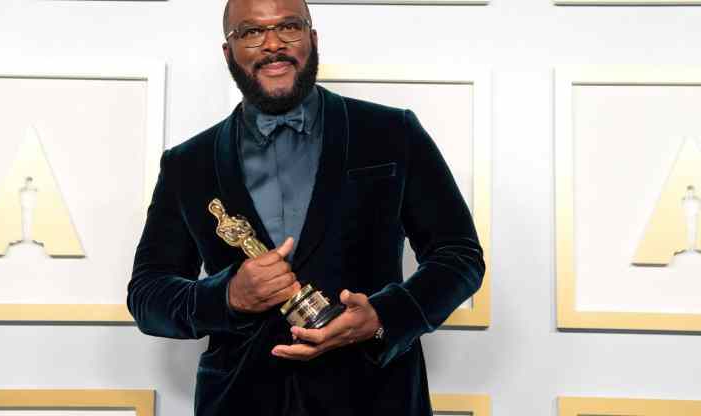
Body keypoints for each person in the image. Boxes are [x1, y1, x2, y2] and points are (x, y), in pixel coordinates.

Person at [127, 0, 485, 414]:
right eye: (251, 32)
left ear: (312, 39)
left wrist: (383, 317)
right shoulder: (187, 163)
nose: (273, 44)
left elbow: (459, 257)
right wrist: (227, 296)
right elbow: (147, 294)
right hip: (240, 402)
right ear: (228, 52)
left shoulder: (391, 132)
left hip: (375, 398)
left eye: (289, 27)